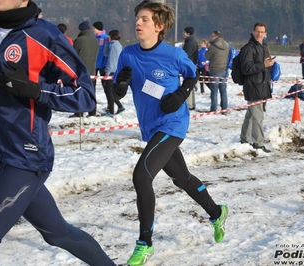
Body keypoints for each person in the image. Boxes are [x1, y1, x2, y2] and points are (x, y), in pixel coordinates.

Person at [0, 1, 119, 265]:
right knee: (58, 234)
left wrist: (35, 89)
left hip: (28, 157)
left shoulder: (45, 36)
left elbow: (85, 96)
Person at [113, 1, 228, 265]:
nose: (138, 23)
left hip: (172, 124)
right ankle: (216, 212)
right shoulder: (128, 54)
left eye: (144, 19)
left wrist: (179, 95)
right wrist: (119, 85)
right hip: (151, 126)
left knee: (142, 176)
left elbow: (192, 76)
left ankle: (145, 243)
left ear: (159, 26)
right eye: (137, 19)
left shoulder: (173, 55)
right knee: (182, 178)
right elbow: (117, 92)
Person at [239, 22, 275, 153]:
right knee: (258, 116)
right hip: (253, 86)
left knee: (251, 114)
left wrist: (269, 65)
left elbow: (263, 67)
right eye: (257, 31)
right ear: (253, 32)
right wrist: (263, 65)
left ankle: (244, 139)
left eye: (262, 32)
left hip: (262, 85)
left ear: (265, 34)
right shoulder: (248, 48)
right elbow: (246, 68)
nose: (259, 34)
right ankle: (258, 143)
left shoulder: (263, 47)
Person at [70, 20, 99, 118]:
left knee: (79, 92)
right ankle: (92, 112)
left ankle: (79, 112)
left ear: (80, 30)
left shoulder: (79, 40)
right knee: (92, 92)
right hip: (92, 70)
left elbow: (73, 55)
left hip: (81, 71)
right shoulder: (95, 40)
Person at [205, 30, 230, 113]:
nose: (211, 38)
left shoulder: (213, 47)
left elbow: (207, 56)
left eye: (212, 36)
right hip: (224, 70)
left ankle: (213, 109)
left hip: (215, 70)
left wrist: (208, 48)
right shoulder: (227, 45)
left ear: (216, 37)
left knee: (214, 91)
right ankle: (224, 108)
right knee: (223, 90)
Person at [102, 30, 125, 117]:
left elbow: (111, 60)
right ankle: (120, 106)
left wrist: (107, 72)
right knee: (110, 91)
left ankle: (111, 111)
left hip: (112, 71)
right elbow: (106, 53)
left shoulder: (115, 46)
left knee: (109, 91)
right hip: (114, 70)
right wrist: (107, 44)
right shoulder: (114, 45)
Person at [91, 20, 109, 117]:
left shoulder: (106, 38)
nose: (92, 30)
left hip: (103, 65)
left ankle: (110, 106)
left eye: (93, 28)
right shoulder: (94, 39)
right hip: (94, 65)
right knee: (92, 86)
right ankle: (92, 108)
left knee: (106, 87)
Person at [182, 26, 197, 110]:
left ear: (188, 33)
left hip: (189, 66)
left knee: (188, 85)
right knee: (190, 85)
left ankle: (190, 104)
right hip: (192, 65)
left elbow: (186, 55)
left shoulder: (189, 43)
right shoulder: (192, 41)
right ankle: (192, 103)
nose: (182, 33)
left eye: (184, 32)